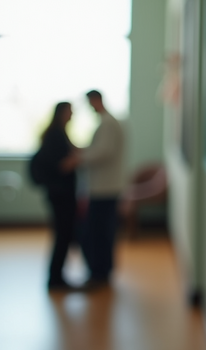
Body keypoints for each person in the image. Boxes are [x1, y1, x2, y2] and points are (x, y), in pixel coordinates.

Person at [79, 89, 126, 288]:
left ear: (97, 100)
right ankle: (101, 271)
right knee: (102, 231)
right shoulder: (109, 122)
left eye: (91, 103)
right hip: (106, 187)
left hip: (105, 188)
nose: (90, 107)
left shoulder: (108, 123)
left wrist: (79, 158)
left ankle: (100, 273)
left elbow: (104, 152)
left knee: (99, 232)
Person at [38, 102, 80, 291]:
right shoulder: (56, 135)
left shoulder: (59, 133)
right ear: (62, 113)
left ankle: (57, 276)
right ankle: (55, 278)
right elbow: (61, 164)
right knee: (62, 235)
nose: (72, 114)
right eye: (70, 111)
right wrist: (80, 159)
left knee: (63, 234)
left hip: (61, 193)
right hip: (60, 194)